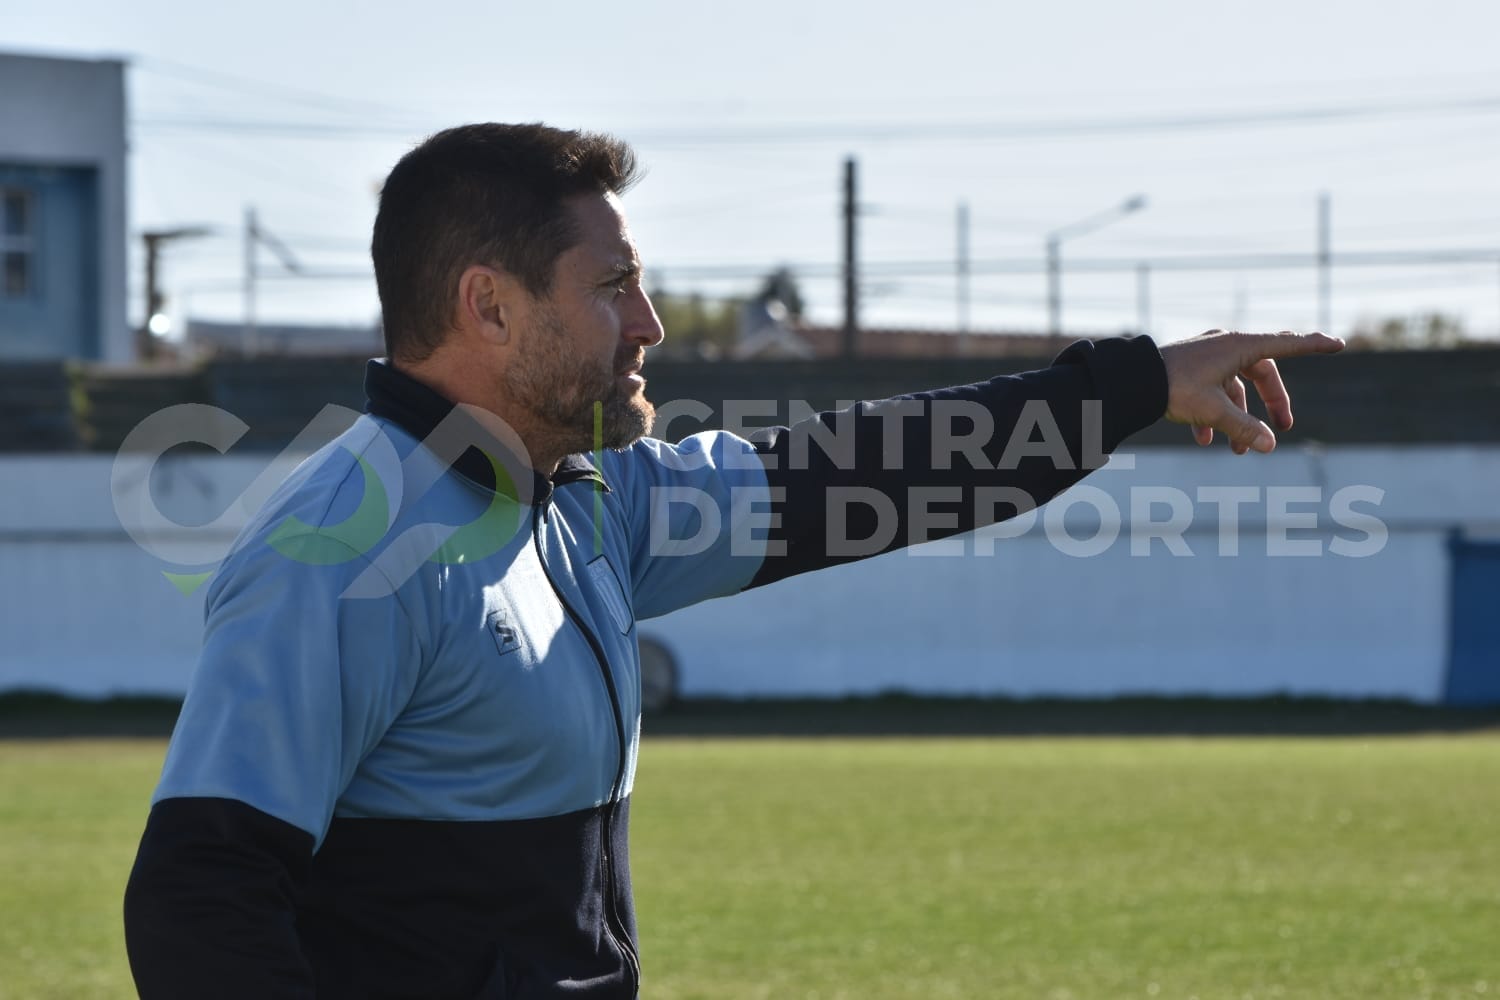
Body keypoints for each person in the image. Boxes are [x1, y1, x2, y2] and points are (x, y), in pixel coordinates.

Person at [122, 122, 1343, 999]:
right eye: (614, 288)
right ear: (489, 306)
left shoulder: (589, 498)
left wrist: (1131, 385)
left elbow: (861, 475)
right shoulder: (345, 545)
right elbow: (201, 895)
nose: (650, 326)